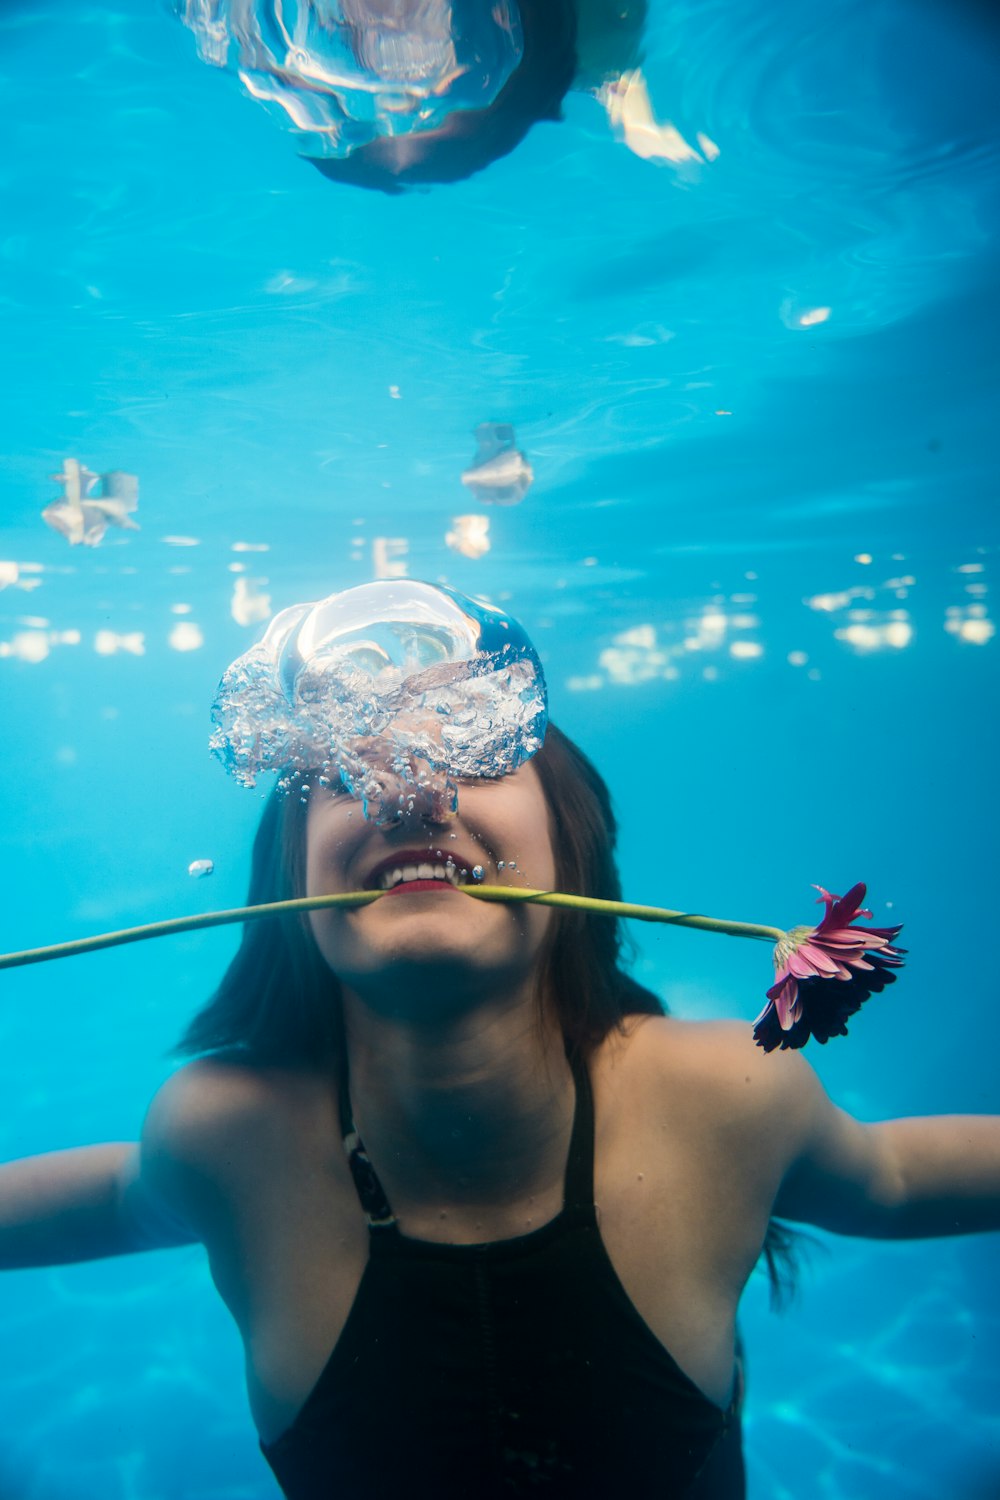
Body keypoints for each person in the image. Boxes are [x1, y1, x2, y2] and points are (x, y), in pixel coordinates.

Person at [1, 721, 998, 1498]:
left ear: (572, 847)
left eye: (477, 755)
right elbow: (117, 1198)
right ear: (287, 884)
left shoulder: (724, 1094)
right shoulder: (224, 1136)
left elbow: (893, 1178)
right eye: (348, 775)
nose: (410, 790)